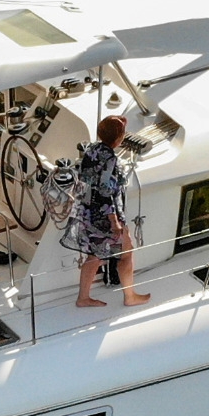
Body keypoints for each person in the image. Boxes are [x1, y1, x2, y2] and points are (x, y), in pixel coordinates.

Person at [73, 116, 149, 308]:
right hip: (106, 218)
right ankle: (130, 296)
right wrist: (114, 222)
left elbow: (89, 181)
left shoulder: (91, 151)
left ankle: (83, 298)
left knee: (94, 255)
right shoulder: (110, 159)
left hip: (89, 213)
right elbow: (106, 192)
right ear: (119, 139)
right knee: (127, 253)